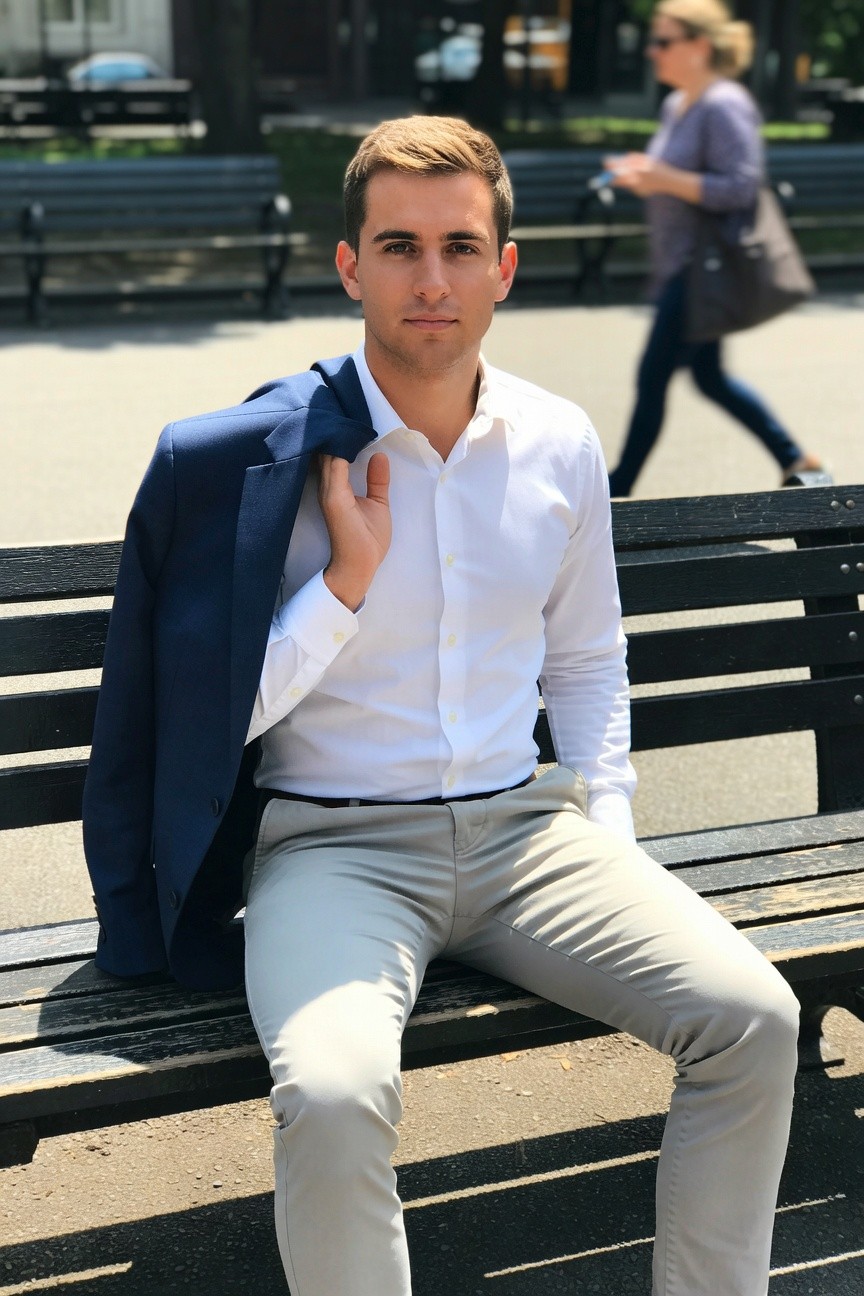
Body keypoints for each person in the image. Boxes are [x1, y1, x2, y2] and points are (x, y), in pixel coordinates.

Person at [83, 114, 799, 1296]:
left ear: (504, 269)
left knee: (755, 1020)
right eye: (400, 246)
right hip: (336, 850)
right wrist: (344, 584)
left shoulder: (559, 442)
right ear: (350, 265)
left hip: (530, 836)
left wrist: (608, 838)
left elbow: (586, 661)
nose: (432, 279)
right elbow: (205, 729)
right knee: (332, 1093)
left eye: (461, 247)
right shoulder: (269, 464)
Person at [606, 0, 824, 497]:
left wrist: (663, 178)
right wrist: (647, 176)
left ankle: (618, 491)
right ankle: (795, 458)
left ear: (699, 47)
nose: (652, 51)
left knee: (653, 376)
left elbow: (741, 186)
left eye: (664, 41)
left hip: (701, 269)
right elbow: (677, 178)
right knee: (710, 378)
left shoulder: (723, 104)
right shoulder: (675, 103)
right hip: (682, 265)